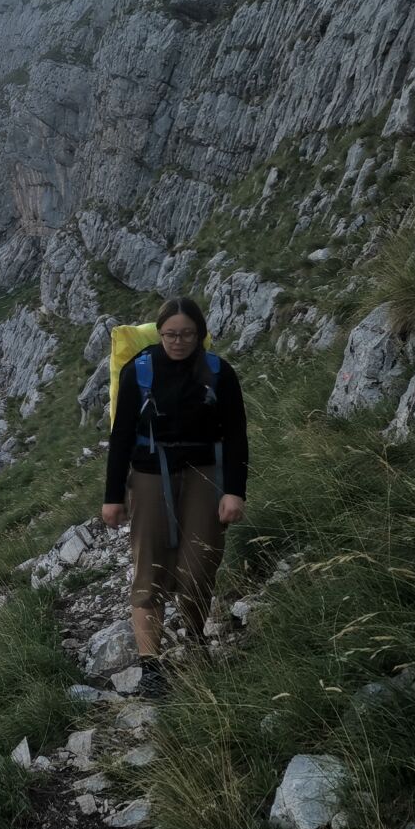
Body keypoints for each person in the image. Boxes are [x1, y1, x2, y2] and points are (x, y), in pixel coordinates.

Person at [101, 296, 248, 696]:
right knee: (150, 569)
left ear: (200, 334)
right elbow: (121, 437)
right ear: (160, 332)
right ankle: (151, 666)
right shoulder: (140, 371)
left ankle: (194, 636)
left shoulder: (219, 372)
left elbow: (236, 434)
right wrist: (113, 496)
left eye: (186, 334)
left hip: (206, 473)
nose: (178, 341)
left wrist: (235, 490)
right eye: (170, 334)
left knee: (199, 564)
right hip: (149, 475)